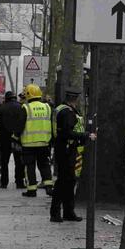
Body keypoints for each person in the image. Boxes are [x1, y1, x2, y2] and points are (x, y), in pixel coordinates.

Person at [51, 88, 95, 222]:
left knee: (69, 181)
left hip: (64, 149)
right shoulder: (67, 112)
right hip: (67, 150)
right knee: (64, 182)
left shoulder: (60, 109)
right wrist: (86, 135)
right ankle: (57, 213)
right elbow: (67, 133)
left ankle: (68, 212)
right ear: (75, 100)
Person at [17, 84, 54, 197]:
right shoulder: (47, 107)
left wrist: (15, 137)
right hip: (44, 142)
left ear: (28, 94)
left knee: (30, 167)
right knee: (45, 165)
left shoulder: (26, 108)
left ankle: (32, 190)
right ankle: (49, 187)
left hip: (29, 144)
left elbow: (20, 126)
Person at [0, 91, 26, 189]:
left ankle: (4, 182)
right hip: (17, 138)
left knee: (4, 161)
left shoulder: (2, 107)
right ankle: (19, 182)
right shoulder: (21, 107)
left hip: (5, 138)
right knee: (19, 161)